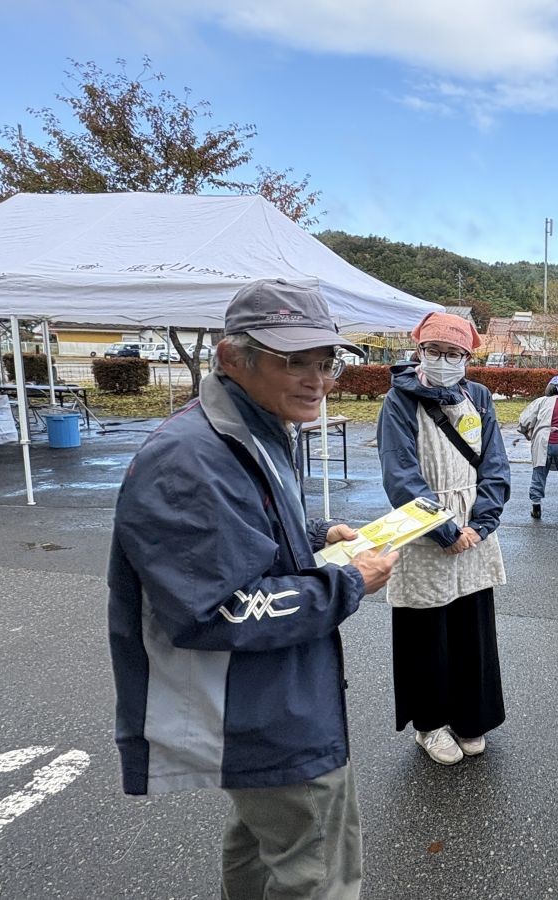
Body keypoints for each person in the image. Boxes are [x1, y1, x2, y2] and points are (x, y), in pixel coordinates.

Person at [108, 278, 397, 899]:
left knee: (262, 852)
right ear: (231, 357)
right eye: (293, 361)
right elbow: (215, 608)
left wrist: (318, 535)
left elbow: (250, 536)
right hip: (259, 708)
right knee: (317, 871)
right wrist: (347, 582)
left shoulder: (254, 426)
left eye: (326, 361)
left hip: (274, 699)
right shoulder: (190, 457)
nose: (317, 380)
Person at [377, 311, 511, 766]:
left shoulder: (479, 397)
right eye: (434, 350)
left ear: (468, 357)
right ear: (419, 351)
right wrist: (444, 530)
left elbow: (494, 464)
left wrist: (480, 523)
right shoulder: (398, 401)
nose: (444, 359)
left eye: (454, 353)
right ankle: (430, 724)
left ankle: (472, 716)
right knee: (426, 630)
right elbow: (400, 473)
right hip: (422, 527)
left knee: (472, 625)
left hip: (473, 527)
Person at [518, 374, 558, 521]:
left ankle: (536, 506)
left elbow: (524, 420)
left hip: (542, 441)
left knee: (539, 473)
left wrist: (526, 432)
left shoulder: (540, 401)